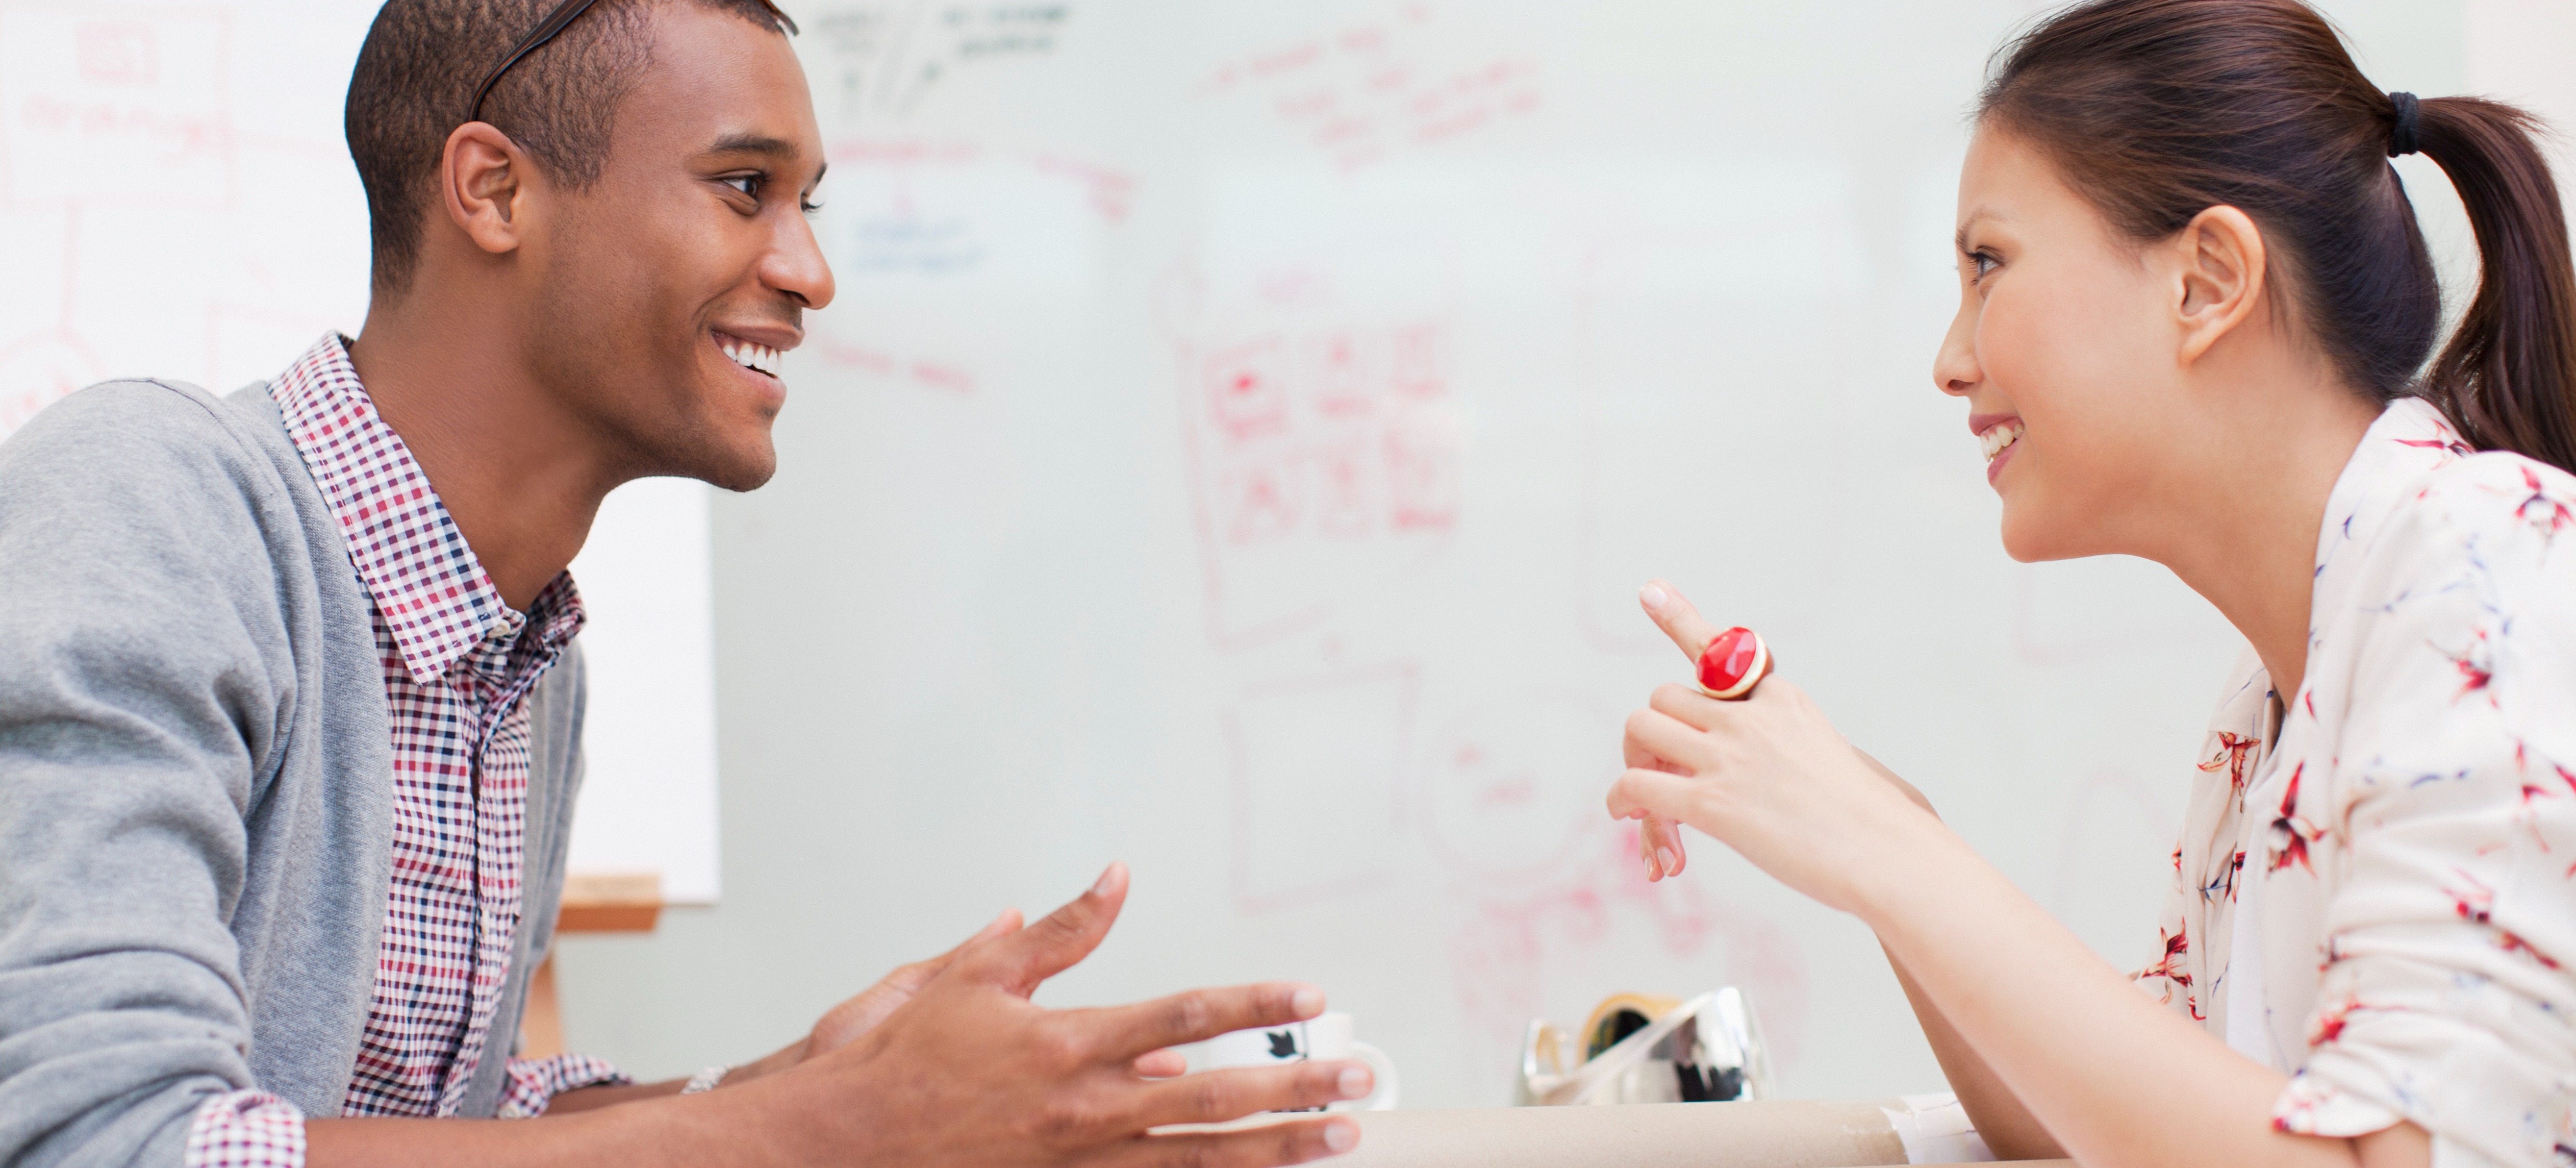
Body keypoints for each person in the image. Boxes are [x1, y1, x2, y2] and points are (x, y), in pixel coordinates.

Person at [0, 1, 1372, 1164]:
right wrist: (816, 1126)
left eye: (805, 204)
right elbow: (103, 1133)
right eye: (742, 188)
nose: (810, 271)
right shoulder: (153, 500)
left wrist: (799, 1087)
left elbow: (437, 1119)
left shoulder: (532, 654)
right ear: (493, 191)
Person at [1610, 1, 2576, 1165]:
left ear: (2206, 279)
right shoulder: (2276, 685)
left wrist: (1876, 845)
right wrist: (1878, 825)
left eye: (1986, 264)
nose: (1948, 358)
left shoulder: (2488, 574)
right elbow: (2114, 1127)